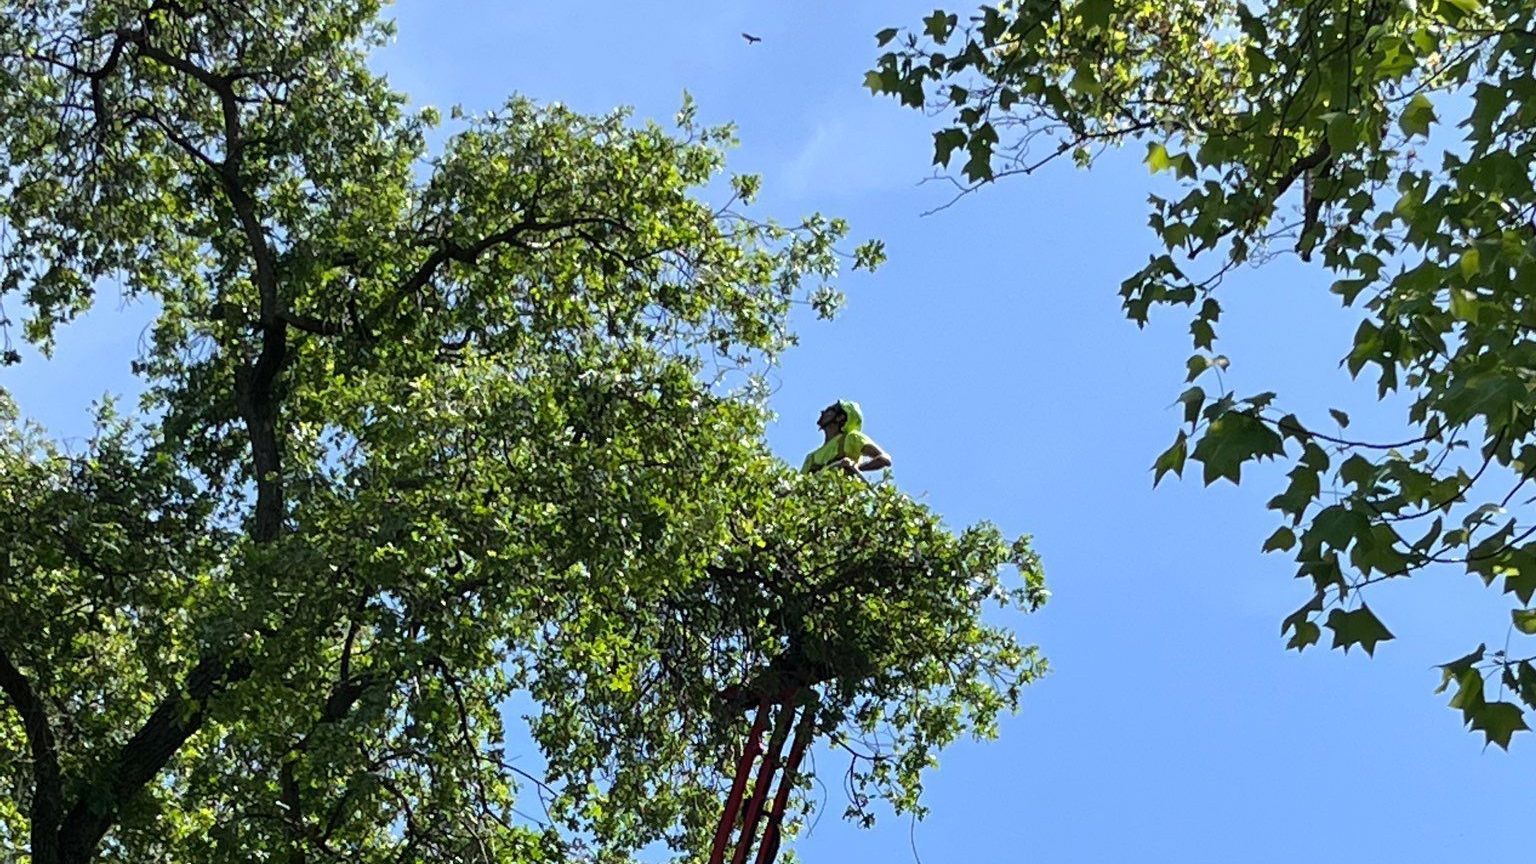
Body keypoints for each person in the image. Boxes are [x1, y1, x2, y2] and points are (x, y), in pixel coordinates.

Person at [800, 400, 891, 475]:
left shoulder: (851, 438)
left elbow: (884, 459)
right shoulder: (811, 458)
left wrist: (857, 467)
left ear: (840, 417)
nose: (823, 412)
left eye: (830, 410)